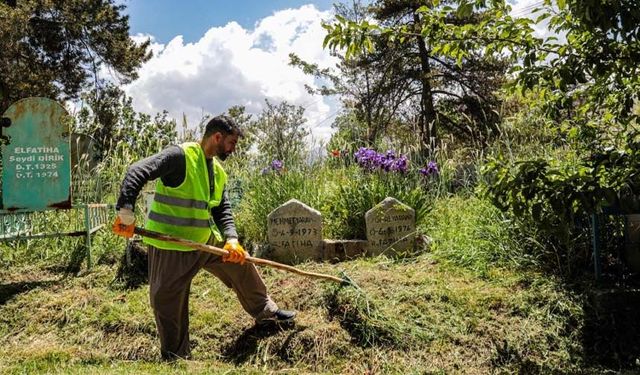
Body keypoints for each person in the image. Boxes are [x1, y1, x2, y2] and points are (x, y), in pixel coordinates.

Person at [113, 115, 296, 361]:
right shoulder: (180, 156)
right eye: (231, 142)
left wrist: (231, 239)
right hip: (171, 246)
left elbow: (222, 208)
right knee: (167, 302)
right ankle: (176, 357)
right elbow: (137, 171)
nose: (233, 149)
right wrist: (125, 212)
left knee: (241, 263)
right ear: (217, 137)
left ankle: (267, 314)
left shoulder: (218, 171)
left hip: (204, 242)